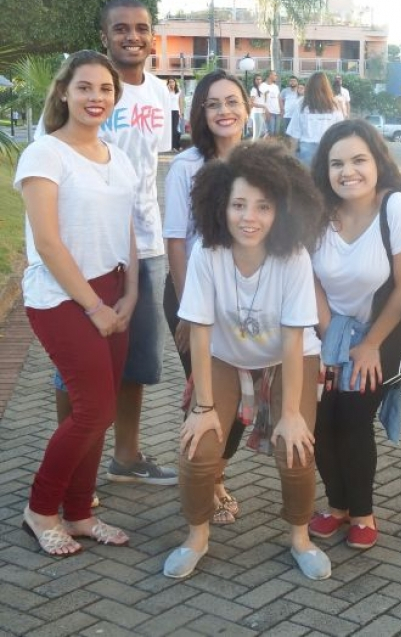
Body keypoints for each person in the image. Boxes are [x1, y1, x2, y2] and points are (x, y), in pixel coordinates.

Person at [163, 141, 329, 580]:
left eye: (263, 206)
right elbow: (200, 331)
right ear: (221, 205)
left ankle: (301, 538)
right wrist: (202, 407)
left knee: (295, 448)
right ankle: (196, 536)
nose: (248, 217)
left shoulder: (293, 257)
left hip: (288, 358)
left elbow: (294, 338)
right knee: (199, 446)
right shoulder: (208, 253)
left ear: (282, 211)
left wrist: (290, 414)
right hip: (225, 355)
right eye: (238, 205)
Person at [15, 50, 137, 556]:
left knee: (100, 411)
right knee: (94, 408)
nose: (95, 97)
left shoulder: (118, 155)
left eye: (105, 89)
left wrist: (130, 291)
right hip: (62, 296)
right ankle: (41, 509)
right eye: (84, 87)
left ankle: (81, 512)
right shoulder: (45, 153)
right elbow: (47, 243)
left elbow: (127, 227)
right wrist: (94, 306)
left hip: (113, 290)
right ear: (64, 92)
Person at [307, 119, 401, 550]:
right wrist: (330, 344)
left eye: (358, 160)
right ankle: (336, 507)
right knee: (321, 419)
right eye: (336, 163)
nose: (348, 171)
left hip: (380, 331)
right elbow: (309, 279)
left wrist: (369, 345)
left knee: (354, 418)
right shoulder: (317, 210)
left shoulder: (396, 208)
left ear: (377, 162)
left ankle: (362, 513)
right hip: (324, 330)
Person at [81, 0, 174, 486]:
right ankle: (77, 468)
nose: (131, 36)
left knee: (137, 361)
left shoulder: (161, 94)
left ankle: (127, 457)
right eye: (120, 28)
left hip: (147, 245)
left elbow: (153, 165)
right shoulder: (89, 89)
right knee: (82, 363)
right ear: (105, 36)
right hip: (94, 247)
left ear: (152, 36)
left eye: (140, 28)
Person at [163, 70, 251, 525]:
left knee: (242, 399)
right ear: (200, 112)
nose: (223, 111)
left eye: (232, 101)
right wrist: (187, 311)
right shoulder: (187, 166)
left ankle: (215, 474)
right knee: (207, 397)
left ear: (247, 108)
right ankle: (204, 485)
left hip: (246, 300)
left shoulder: (259, 163)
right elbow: (176, 241)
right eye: (213, 103)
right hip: (194, 298)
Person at [285, 71, 344, 167]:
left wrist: (291, 158)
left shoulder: (302, 104)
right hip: (328, 148)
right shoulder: (334, 104)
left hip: (306, 150)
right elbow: (341, 131)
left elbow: (294, 134)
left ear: (309, 86)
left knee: (307, 176)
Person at [261, 70, 281, 137]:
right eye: (275, 75)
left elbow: (278, 98)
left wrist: (281, 110)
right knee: (270, 132)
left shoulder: (275, 86)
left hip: (277, 112)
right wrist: (265, 112)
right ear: (270, 75)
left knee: (277, 132)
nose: (276, 77)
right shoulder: (262, 85)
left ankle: (275, 144)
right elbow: (261, 100)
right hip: (269, 113)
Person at [166, 78, 183, 151]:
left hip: (176, 111)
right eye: (170, 82)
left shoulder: (178, 91)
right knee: (169, 129)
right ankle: (171, 146)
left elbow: (180, 102)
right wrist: (168, 90)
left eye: (172, 82)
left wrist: (181, 113)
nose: (171, 83)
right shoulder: (166, 91)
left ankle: (176, 146)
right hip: (168, 112)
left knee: (175, 129)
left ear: (175, 82)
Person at [249, 74, 267, 140]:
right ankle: (252, 145)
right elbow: (251, 103)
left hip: (261, 113)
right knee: (257, 134)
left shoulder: (261, 89)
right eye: (257, 79)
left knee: (263, 132)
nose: (258, 81)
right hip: (256, 113)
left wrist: (264, 111)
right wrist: (263, 106)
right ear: (254, 80)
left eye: (260, 79)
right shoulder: (254, 90)